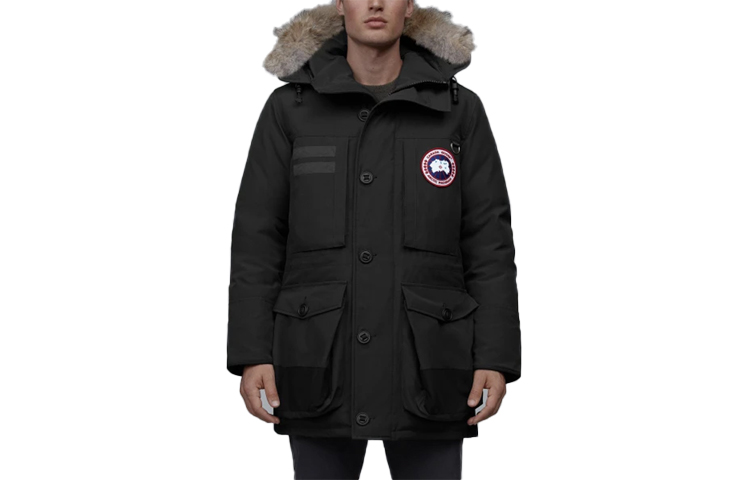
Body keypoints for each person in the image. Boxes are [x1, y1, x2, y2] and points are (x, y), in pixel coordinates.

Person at [226, 0, 521, 478]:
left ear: (410, 7)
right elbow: (257, 239)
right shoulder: (291, 107)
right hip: (318, 357)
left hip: (431, 362)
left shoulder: (456, 108)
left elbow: (488, 241)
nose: (376, 3)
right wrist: (252, 353)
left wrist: (495, 356)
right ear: (341, 4)